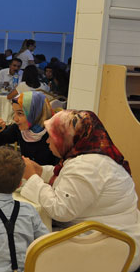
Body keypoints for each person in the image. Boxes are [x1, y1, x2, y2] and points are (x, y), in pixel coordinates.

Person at [21, 110, 140, 270]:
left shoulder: (87, 166)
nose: (48, 141)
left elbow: (61, 210)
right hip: (112, 236)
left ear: (67, 138)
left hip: (110, 247)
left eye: (52, 136)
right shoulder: (91, 157)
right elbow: (66, 177)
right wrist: (41, 171)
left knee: (29, 244)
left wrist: (33, 178)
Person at [0, 91, 57, 165]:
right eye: (14, 112)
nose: (15, 119)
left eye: (20, 113)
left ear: (36, 112)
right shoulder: (21, 129)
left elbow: (59, 168)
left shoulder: (54, 134)